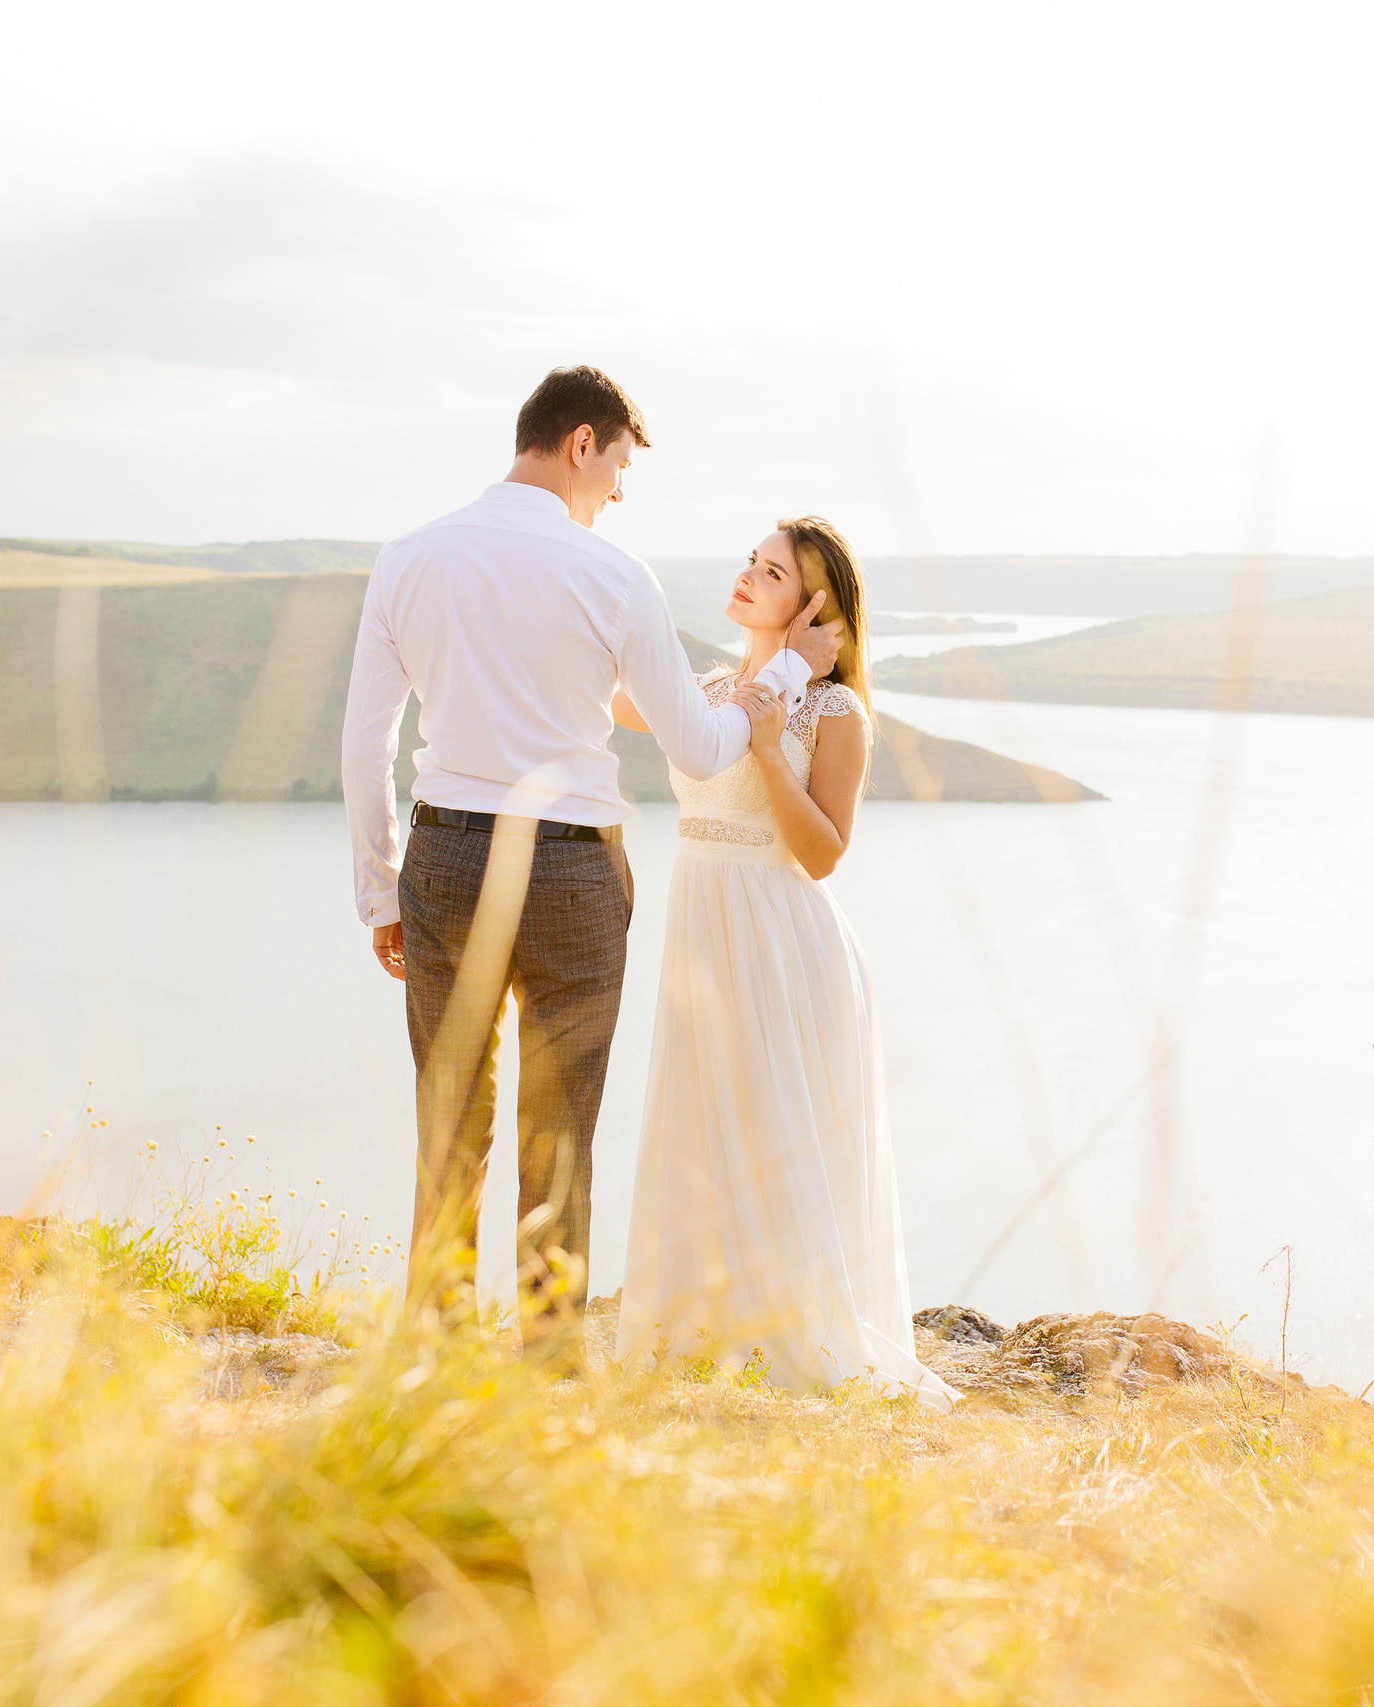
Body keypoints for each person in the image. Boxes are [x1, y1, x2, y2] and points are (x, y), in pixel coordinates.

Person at [341, 366, 838, 1347]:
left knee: (449, 1121)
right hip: (571, 871)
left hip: (443, 857)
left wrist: (378, 892)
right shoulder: (615, 576)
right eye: (616, 465)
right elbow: (698, 745)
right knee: (558, 1135)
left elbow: (366, 744)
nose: (617, 491)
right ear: (580, 443)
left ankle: (430, 1348)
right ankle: (549, 1363)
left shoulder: (407, 558)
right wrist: (781, 675)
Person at [614, 517, 959, 1410]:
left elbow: (824, 852)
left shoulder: (835, 711)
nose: (746, 576)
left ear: (810, 608)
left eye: (770, 573)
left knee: (775, 1141)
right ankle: (700, 1334)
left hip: (781, 945)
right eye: (752, 561)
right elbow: (595, 690)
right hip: (704, 935)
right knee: (702, 1125)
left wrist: (769, 746)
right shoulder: (707, 688)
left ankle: (787, 1341)